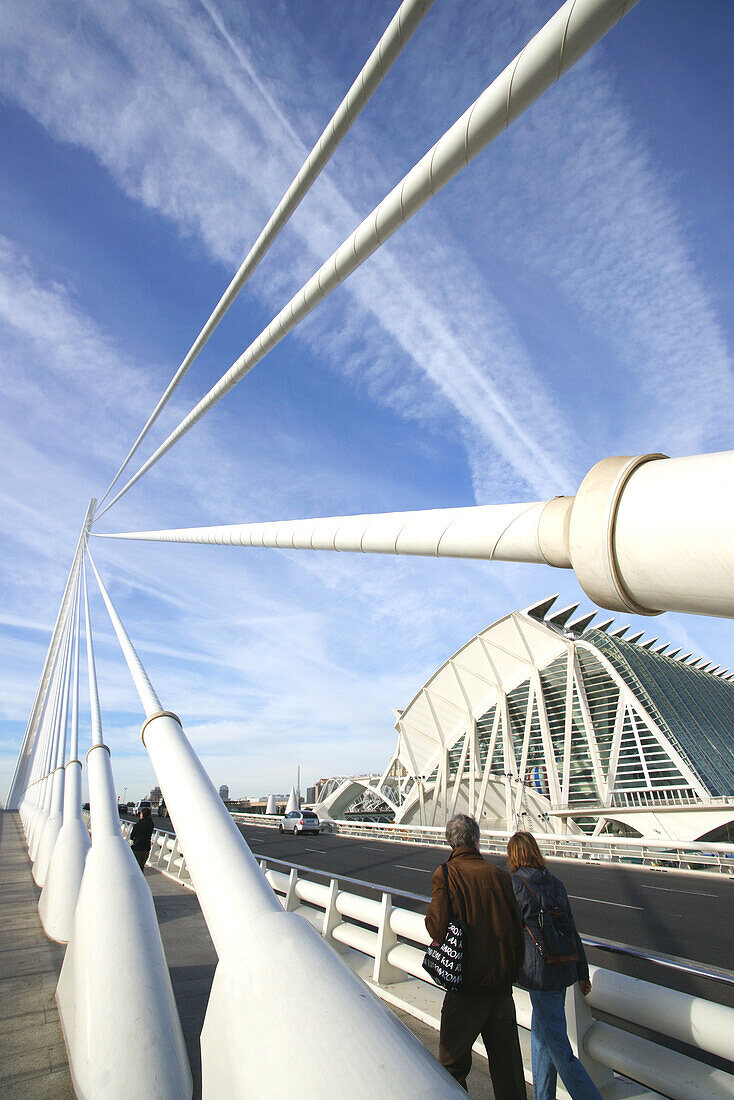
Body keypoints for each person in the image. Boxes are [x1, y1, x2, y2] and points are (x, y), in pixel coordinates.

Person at [425, 813, 526, 1097]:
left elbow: (437, 929)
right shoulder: (502, 877)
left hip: (466, 990)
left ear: (451, 842)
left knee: (452, 1067)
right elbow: (517, 930)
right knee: (509, 1074)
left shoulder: (446, 874)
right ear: (477, 841)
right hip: (501, 990)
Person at [507, 832, 602, 1100]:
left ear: (514, 855)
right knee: (542, 1039)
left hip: (539, 975)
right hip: (563, 970)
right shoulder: (556, 884)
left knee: (560, 1050)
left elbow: (510, 930)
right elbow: (572, 931)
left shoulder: (516, 885)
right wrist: (582, 973)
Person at [130, 806, 154, 872]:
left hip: (137, 847)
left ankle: (137, 880)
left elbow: (131, 836)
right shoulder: (151, 824)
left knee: (136, 866)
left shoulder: (138, 824)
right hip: (146, 848)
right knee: (141, 866)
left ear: (142, 814)